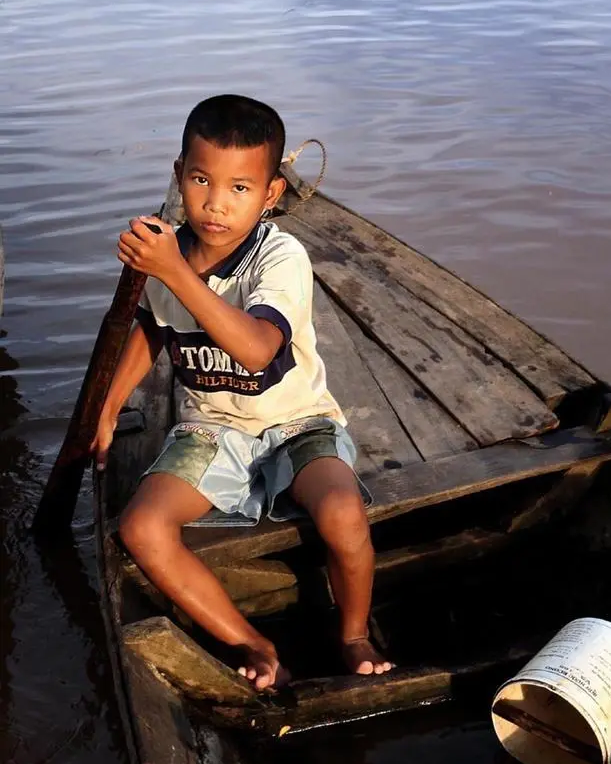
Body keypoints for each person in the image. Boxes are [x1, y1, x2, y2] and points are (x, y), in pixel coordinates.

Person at [92, 94, 392, 690]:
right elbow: (151, 328)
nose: (215, 204)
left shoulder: (279, 256)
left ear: (270, 194)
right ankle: (253, 643)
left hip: (297, 421)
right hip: (213, 426)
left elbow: (256, 348)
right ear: (179, 177)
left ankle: (354, 632)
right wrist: (106, 408)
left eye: (239, 188)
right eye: (202, 180)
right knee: (141, 530)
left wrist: (173, 271)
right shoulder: (167, 253)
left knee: (342, 511)